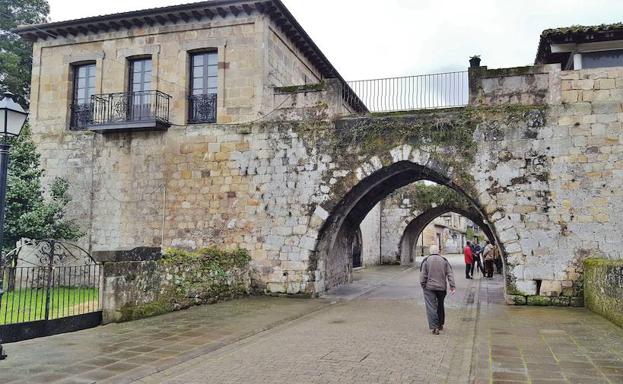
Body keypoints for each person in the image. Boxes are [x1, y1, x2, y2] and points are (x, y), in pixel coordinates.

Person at [420, 245, 456, 335]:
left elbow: (423, 275)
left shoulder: (426, 261)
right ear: (438, 252)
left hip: (430, 288)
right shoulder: (444, 261)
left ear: (430, 251)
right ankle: (440, 324)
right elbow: (450, 273)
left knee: (431, 307)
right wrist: (452, 285)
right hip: (441, 287)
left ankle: (435, 327)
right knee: (440, 305)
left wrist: (423, 284)